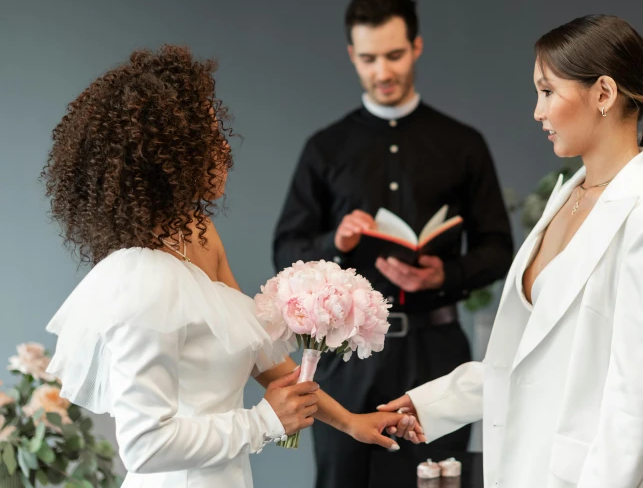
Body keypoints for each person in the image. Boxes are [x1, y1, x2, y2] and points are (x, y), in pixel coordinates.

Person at [41, 45, 411, 488]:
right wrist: (264, 423)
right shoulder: (142, 280)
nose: (224, 151)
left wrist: (351, 422)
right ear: (168, 159)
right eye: (209, 140)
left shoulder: (199, 233)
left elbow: (260, 357)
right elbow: (145, 445)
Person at [381, 14, 643, 488]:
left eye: (548, 91)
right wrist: (433, 404)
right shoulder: (566, 199)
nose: (537, 111)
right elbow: (529, 356)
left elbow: (638, 401)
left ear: (604, 94)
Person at [272, 0, 513, 488]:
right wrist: (334, 243)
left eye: (395, 55)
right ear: (351, 56)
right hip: (347, 362)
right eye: (369, 58)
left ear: (417, 47)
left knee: (439, 481)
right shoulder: (326, 147)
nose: (383, 71)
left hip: (438, 352)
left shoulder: (463, 144)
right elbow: (286, 251)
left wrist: (445, 272)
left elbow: (498, 250)